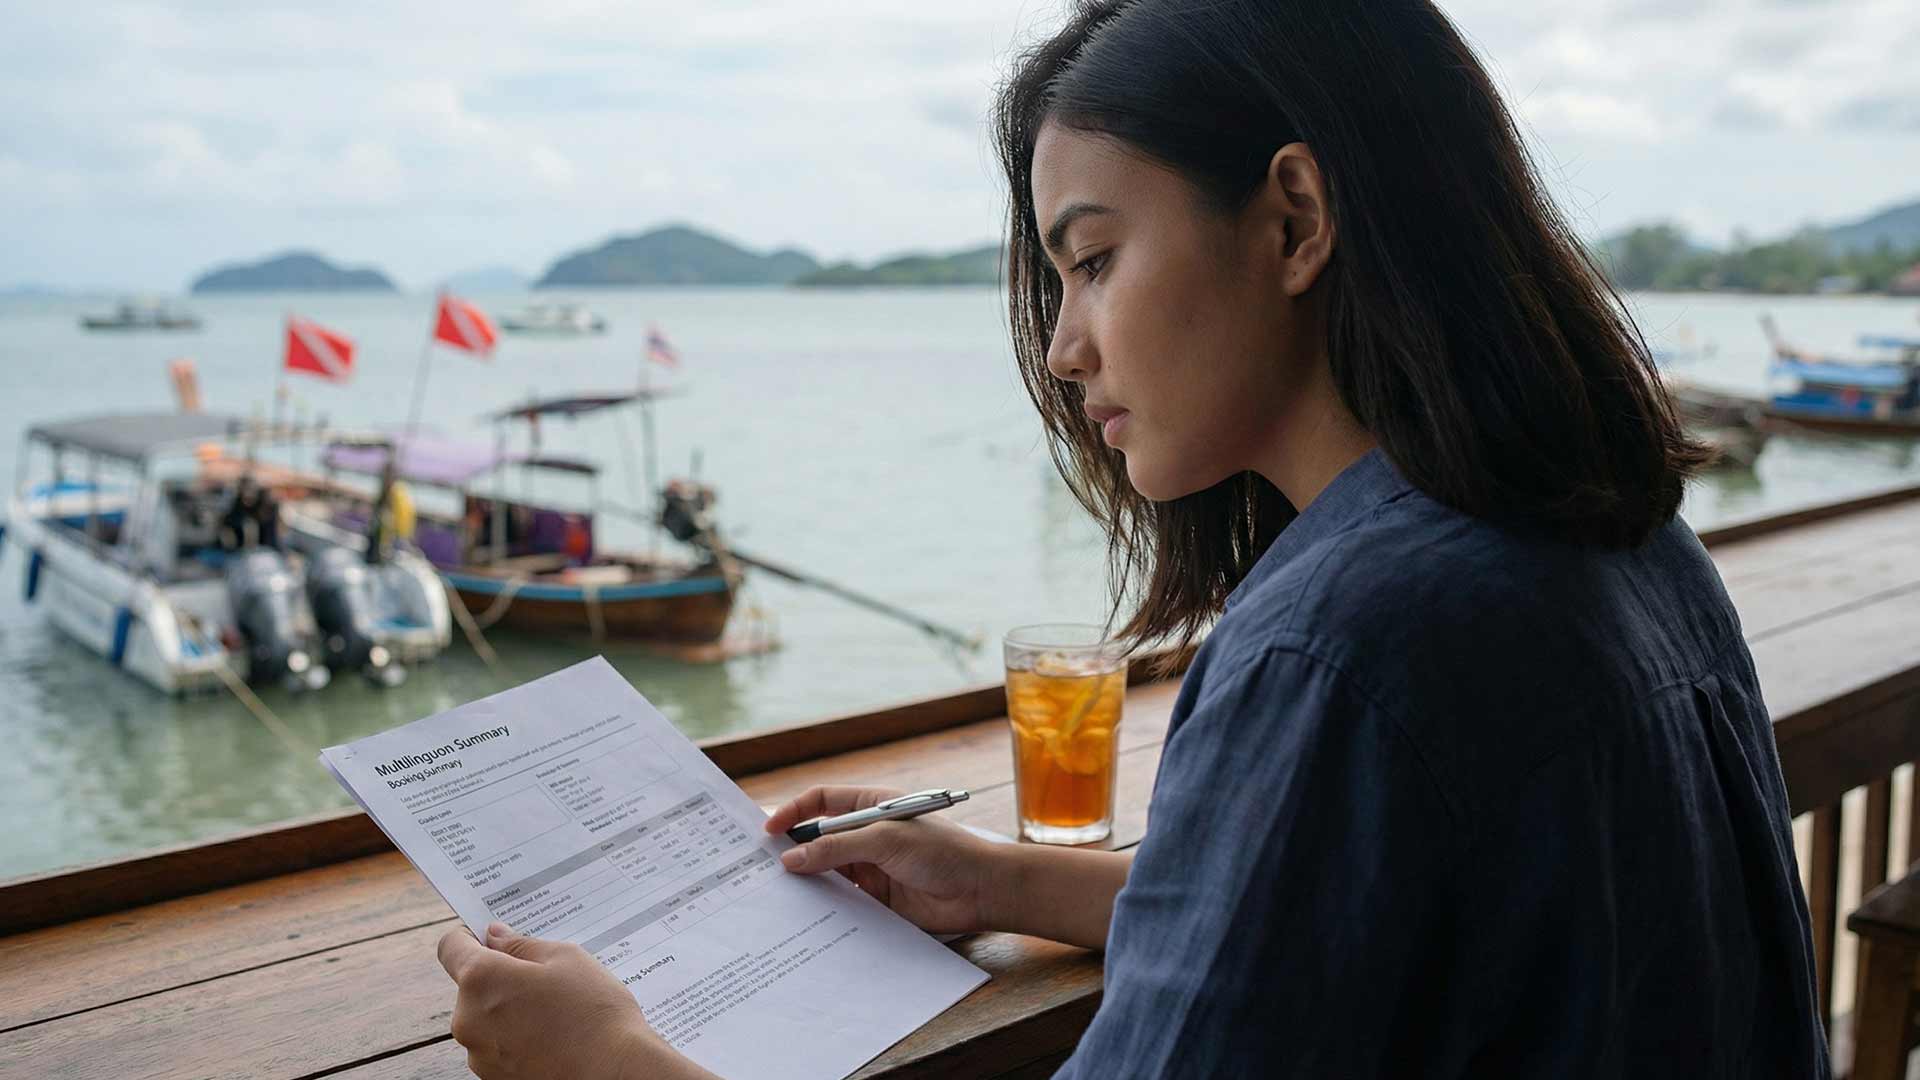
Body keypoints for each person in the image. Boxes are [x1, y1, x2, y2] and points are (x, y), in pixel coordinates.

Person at [435, 1, 1829, 1076]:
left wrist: (611, 1059)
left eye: (1094, 257)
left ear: (1294, 218)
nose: (1060, 344)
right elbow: (1408, 923)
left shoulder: (1339, 645)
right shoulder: (1622, 546)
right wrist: (1007, 880)